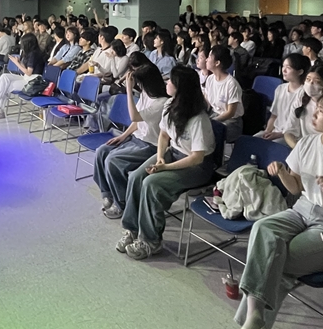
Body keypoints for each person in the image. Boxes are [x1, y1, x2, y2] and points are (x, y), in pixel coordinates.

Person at [236, 92, 323, 329]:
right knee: (262, 229)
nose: (314, 114)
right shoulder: (307, 143)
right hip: (301, 210)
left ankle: (252, 318)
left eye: (321, 111)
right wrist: (282, 172)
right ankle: (254, 315)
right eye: (316, 108)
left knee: (274, 258)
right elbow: (295, 187)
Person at [116, 66, 216, 260]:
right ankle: (132, 229)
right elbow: (163, 135)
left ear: (180, 87)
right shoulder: (170, 104)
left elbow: (197, 157)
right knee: (137, 177)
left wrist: (165, 167)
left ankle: (151, 241)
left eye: (170, 81)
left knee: (151, 183)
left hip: (197, 166)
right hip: (174, 153)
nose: (166, 83)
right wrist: (160, 156)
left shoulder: (199, 119)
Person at [94, 66, 169, 219]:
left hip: (150, 145)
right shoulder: (146, 95)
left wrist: (128, 90)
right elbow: (136, 123)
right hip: (135, 138)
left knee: (113, 161)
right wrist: (123, 136)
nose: (138, 86)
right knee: (102, 151)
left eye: (140, 83)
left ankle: (122, 203)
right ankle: (107, 193)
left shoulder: (162, 102)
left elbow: (135, 116)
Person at [0, 33, 46, 120]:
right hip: (27, 77)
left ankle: (0, 111)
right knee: (4, 77)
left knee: (7, 86)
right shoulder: (29, 53)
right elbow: (26, 70)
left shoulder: (34, 54)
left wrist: (17, 63)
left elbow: (29, 72)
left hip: (33, 81)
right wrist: (19, 62)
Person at [260, 53, 310, 143]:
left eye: (288, 68)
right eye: (283, 66)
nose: (284, 70)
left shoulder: (304, 93)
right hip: (275, 132)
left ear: (300, 72)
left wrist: (279, 134)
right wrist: (267, 131)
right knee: (252, 141)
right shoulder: (280, 88)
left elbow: (297, 125)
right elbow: (274, 115)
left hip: (291, 136)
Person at [284, 64, 323, 148]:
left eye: (317, 81)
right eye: (308, 79)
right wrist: (297, 149)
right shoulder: (301, 100)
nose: (310, 84)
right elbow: (289, 131)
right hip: (303, 148)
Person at [203, 45, 244, 142]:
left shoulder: (231, 84)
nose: (206, 60)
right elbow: (206, 102)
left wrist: (212, 122)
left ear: (217, 63)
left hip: (231, 122)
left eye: (209, 57)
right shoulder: (210, 79)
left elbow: (230, 113)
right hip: (215, 115)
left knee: (207, 133)